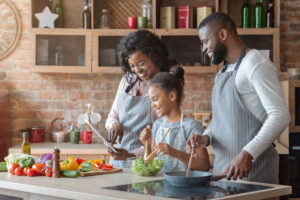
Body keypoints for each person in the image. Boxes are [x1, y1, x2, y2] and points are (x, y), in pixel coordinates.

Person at [186, 12, 290, 184]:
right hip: (224, 176)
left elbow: (280, 115)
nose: (204, 49)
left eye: (205, 41)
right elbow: (222, 120)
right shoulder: (222, 73)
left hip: (255, 176)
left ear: (223, 34)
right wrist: (206, 137)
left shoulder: (256, 64)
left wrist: (247, 154)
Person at [105, 30, 178, 168]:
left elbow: (163, 139)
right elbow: (112, 116)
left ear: (154, 57)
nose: (137, 70)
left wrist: (130, 156)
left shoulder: (164, 86)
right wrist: (114, 125)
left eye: (141, 63)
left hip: (146, 165)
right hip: (117, 162)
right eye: (132, 66)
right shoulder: (128, 81)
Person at [140, 66, 210, 172]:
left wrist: (175, 153)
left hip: (185, 187)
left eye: (155, 99)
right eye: (151, 101)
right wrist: (146, 144)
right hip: (160, 186)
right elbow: (150, 164)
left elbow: (204, 165)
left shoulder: (191, 126)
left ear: (172, 96)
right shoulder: (157, 125)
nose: (152, 105)